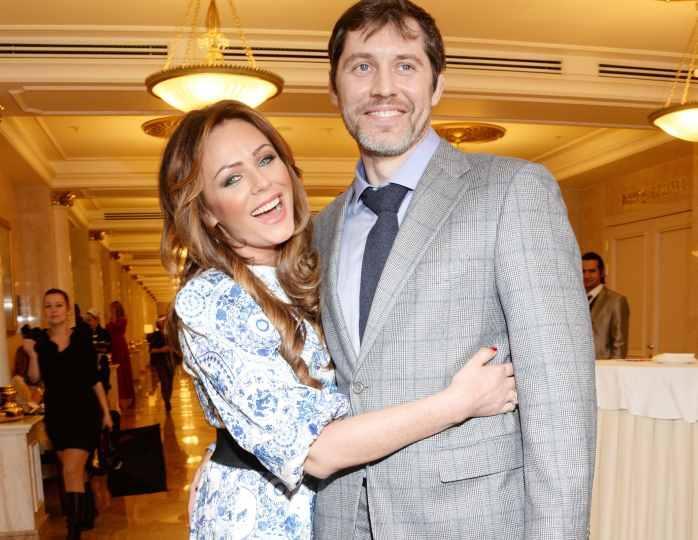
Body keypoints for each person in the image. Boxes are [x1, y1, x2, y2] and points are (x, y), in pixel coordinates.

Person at [159, 99, 518, 539]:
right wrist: (459, 403)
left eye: (265, 159)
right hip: (261, 524)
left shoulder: (309, 263)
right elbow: (317, 451)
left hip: (335, 511)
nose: (262, 183)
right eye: (232, 179)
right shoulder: (210, 300)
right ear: (207, 211)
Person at [312, 2, 597, 539]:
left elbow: (561, 407)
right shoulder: (318, 231)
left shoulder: (513, 191)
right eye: (362, 66)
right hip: (342, 521)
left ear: (437, 84)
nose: (383, 88)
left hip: (471, 522)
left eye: (406, 65)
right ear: (334, 88)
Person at [22, 288, 113, 539]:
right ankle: (85, 513)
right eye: (48, 306)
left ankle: (73, 532)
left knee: (71, 471)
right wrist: (32, 354)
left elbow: (94, 379)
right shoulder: (41, 343)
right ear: (44, 311)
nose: (53, 310)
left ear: (68, 309)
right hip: (57, 415)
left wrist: (106, 412)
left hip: (85, 413)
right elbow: (35, 379)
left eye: (58, 305)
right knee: (75, 471)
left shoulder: (81, 338)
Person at [582, 251, 630, 359]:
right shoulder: (574, 300)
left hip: (603, 365)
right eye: (583, 271)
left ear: (602, 272)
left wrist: (614, 367)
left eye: (592, 271)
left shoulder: (616, 301)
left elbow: (619, 344)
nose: (586, 276)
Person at [106, 300, 135, 408]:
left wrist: (112, 319)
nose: (110, 311)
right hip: (113, 346)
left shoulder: (122, 320)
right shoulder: (111, 319)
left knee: (122, 371)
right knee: (116, 372)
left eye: (112, 309)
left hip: (120, 345)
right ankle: (117, 397)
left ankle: (126, 398)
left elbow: (117, 328)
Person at [147, 316, 174, 412]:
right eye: (162, 321)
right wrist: (162, 350)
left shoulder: (170, 334)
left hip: (170, 362)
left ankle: (168, 398)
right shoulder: (155, 335)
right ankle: (166, 401)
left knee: (170, 383)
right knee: (164, 381)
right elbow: (151, 350)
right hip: (160, 362)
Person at [84, 307, 112, 393]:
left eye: (90, 320)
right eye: (86, 320)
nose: (88, 323)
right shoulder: (84, 334)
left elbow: (106, 348)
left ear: (97, 320)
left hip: (102, 367)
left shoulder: (104, 333)